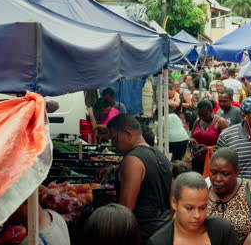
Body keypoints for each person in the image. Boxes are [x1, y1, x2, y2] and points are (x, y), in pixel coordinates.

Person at [98, 114, 173, 244]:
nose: (114, 145)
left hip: (143, 234)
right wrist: (116, 168)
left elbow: (125, 209)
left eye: (115, 139)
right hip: (164, 229)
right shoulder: (161, 156)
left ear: (128, 133)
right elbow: (173, 199)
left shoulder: (132, 160)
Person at [148, 172, 240, 245]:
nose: (197, 215)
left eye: (202, 208)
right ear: (174, 203)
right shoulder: (159, 241)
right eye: (189, 208)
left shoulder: (222, 231)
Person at [207, 148, 251, 240]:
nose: (218, 179)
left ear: (236, 172)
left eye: (225, 174)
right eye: (213, 172)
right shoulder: (203, 190)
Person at [190, 100, 229, 174]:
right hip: (197, 161)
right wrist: (191, 141)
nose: (202, 117)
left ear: (211, 111)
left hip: (214, 162)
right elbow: (192, 137)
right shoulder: (198, 121)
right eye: (200, 115)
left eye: (205, 115)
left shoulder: (221, 122)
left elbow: (227, 144)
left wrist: (208, 148)